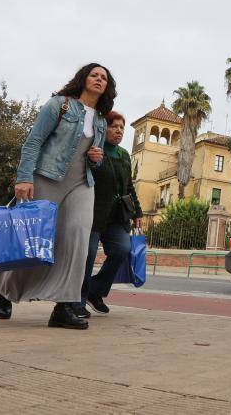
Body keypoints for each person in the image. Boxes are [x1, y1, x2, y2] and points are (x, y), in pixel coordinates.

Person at [0, 63, 115, 330]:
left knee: (78, 240)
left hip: (82, 183)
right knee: (33, 240)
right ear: (83, 79)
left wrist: (97, 158)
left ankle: (64, 306)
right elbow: (34, 140)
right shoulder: (60, 105)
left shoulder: (102, 121)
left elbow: (95, 159)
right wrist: (24, 177)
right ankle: (4, 290)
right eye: (94, 74)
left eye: (103, 77)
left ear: (107, 86)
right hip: (47, 178)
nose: (98, 79)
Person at [76, 111, 142, 318]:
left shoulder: (123, 155)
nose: (119, 131)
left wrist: (137, 212)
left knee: (122, 250)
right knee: (87, 256)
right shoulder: (94, 149)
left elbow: (129, 186)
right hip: (94, 213)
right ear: (104, 128)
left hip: (117, 216)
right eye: (114, 126)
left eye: (122, 127)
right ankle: (77, 301)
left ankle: (95, 291)